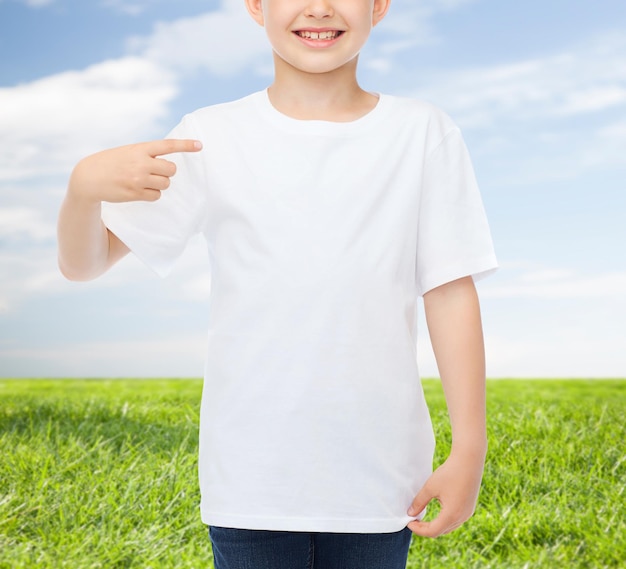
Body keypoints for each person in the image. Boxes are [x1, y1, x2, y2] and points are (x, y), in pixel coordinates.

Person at [57, 0, 498, 567]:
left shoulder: (422, 132)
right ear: (256, 6)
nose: (318, 7)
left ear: (379, 5)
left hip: (381, 479)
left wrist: (470, 447)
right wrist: (81, 190)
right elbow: (85, 264)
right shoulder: (209, 136)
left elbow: (450, 291)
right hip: (250, 482)